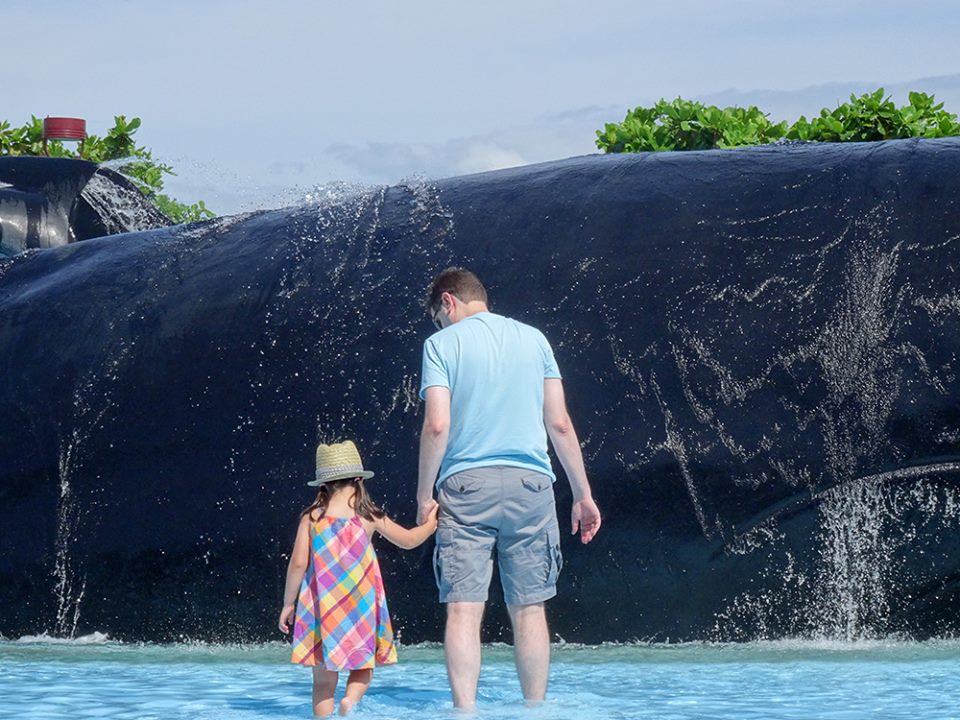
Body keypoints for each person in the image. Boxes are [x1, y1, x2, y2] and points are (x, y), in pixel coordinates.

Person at [416, 267, 602, 710]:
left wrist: (425, 495)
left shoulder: (441, 344)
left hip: (465, 486)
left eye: (439, 317)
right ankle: (534, 709)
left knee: (463, 608)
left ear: (448, 302)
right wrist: (582, 494)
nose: (440, 326)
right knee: (530, 609)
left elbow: (437, 425)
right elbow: (559, 422)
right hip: (531, 485)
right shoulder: (535, 339)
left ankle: (464, 712)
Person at [279, 440, 438, 717]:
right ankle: (350, 702)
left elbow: (298, 564)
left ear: (323, 485)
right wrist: (431, 524)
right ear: (358, 479)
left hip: (321, 608)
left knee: (323, 682)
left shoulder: (312, 517)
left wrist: (288, 604)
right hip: (360, 607)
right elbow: (410, 540)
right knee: (363, 668)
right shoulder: (368, 515)